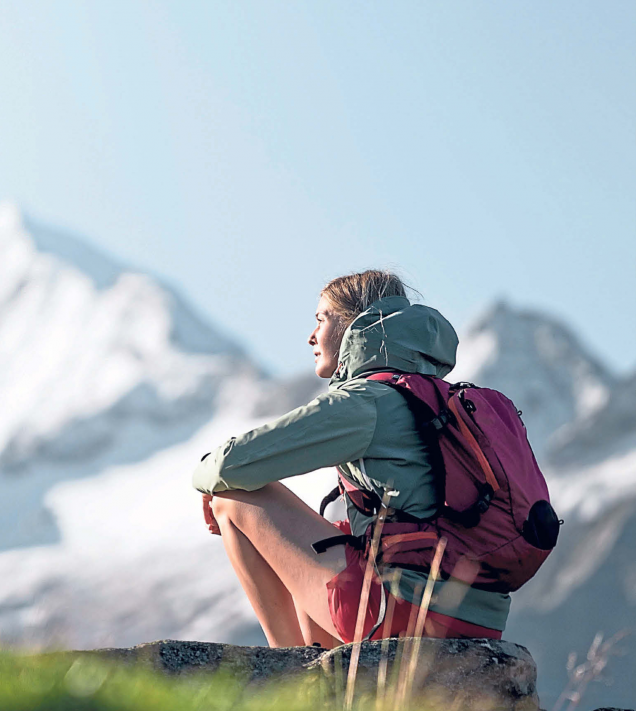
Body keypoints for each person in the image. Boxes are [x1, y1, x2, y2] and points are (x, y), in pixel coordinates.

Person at [192, 270, 508, 648]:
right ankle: (326, 678)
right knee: (338, 533)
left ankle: (285, 673)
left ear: (354, 325)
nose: (311, 336)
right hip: (473, 617)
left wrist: (207, 480)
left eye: (321, 320)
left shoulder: (365, 401)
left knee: (233, 497)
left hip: (401, 609)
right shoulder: (438, 399)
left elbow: (231, 465)